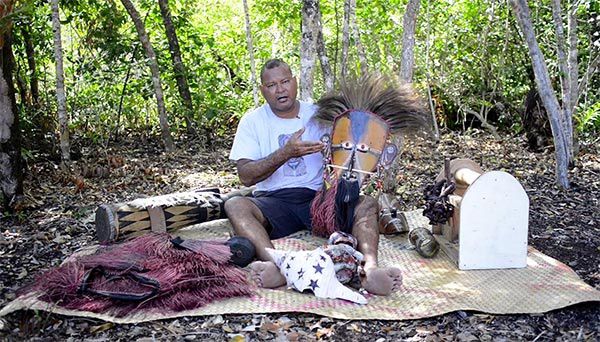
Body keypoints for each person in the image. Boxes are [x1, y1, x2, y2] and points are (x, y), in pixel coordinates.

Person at [224, 59, 402, 296]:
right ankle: (277, 265)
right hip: (273, 202)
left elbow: (352, 149)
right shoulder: (252, 122)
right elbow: (245, 176)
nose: (280, 89)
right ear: (262, 90)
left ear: (295, 82)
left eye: (285, 81)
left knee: (367, 203)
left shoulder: (321, 116)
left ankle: (369, 270)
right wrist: (285, 153)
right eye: (272, 85)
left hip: (319, 200)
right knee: (235, 204)